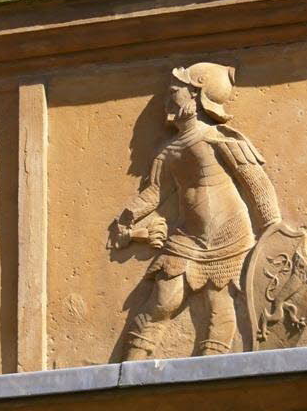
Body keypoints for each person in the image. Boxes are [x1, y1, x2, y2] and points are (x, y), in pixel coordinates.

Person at [113, 63, 281, 358]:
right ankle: (130, 369)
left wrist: (273, 227)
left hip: (229, 235)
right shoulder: (168, 150)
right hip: (187, 237)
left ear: (196, 94)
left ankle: (212, 370)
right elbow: (156, 192)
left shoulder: (219, 138)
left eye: (174, 92)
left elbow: (256, 183)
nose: (168, 99)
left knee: (219, 307)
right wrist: (128, 217)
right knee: (162, 301)